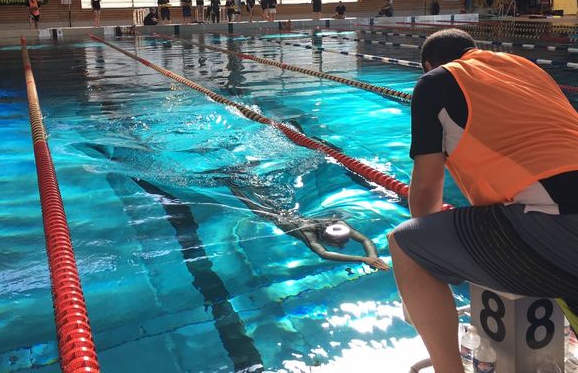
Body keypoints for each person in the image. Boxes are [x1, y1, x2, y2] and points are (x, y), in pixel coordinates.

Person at [387, 28, 578, 373]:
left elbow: (427, 193)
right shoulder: (529, 69)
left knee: (404, 244)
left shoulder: (435, 82)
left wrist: (425, 272)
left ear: (428, 65)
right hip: (560, 225)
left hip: (559, 231)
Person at [229, 185, 389, 269]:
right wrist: (362, 258)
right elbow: (324, 255)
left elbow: (364, 239)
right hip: (278, 218)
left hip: (287, 211)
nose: (342, 245)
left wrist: (372, 256)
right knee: (251, 203)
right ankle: (231, 185)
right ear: (325, 239)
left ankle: (239, 180)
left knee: (262, 194)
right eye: (338, 244)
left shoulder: (337, 223)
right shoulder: (308, 235)